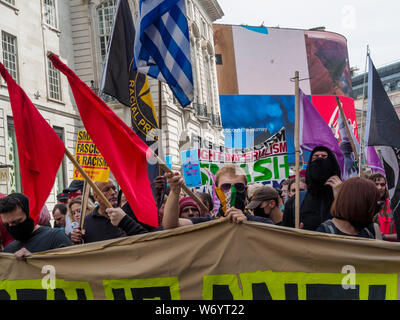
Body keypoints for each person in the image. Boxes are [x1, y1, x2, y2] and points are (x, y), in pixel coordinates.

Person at [162, 164, 269, 229]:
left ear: (245, 190)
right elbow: (170, 225)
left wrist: (249, 227)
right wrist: (174, 191)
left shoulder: (264, 224)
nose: (232, 191)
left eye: (239, 186)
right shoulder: (207, 223)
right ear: (217, 190)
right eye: (226, 186)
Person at [70, 180, 154, 244]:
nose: (113, 192)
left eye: (114, 188)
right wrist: (76, 239)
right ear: (96, 197)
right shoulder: (86, 222)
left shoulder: (130, 212)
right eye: (106, 190)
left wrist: (125, 221)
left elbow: (148, 241)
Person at [282, 146, 342, 231]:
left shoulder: (346, 196)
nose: (320, 159)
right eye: (316, 157)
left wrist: (341, 196)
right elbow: (286, 234)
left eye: (324, 156)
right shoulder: (296, 201)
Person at [0, 193, 72, 258]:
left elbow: (71, 268)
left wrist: (35, 262)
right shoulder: (9, 250)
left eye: (16, 222)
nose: (11, 227)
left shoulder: (56, 238)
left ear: (29, 215)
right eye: (6, 224)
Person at [316, 177, 383, 239]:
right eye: (372, 202)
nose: (376, 206)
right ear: (360, 204)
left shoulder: (370, 231)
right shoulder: (324, 233)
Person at [368, 173, 397, 241]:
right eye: (376, 184)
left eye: (382, 184)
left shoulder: (393, 205)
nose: (380, 187)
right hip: (368, 248)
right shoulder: (362, 205)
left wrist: (383, 236)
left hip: (389, 248)